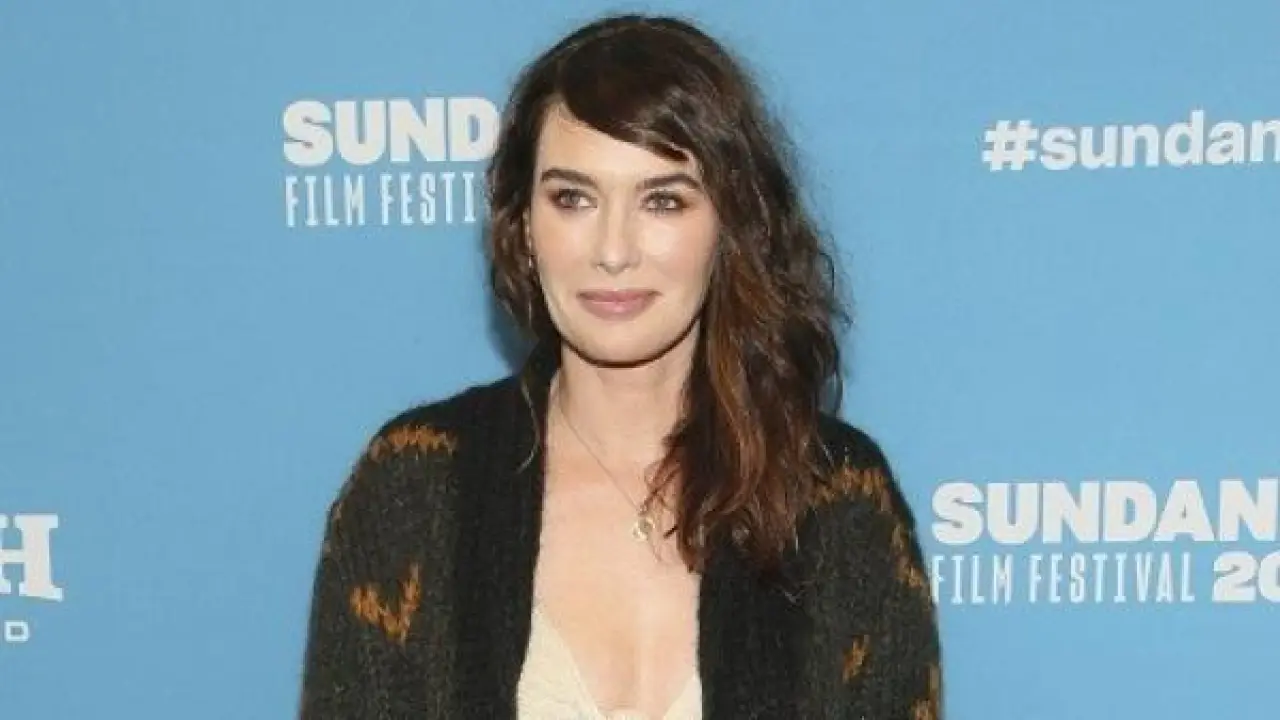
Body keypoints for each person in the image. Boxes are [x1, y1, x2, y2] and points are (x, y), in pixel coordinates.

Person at [298, 13, 941, 720]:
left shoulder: (838, 496)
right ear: (524, 224)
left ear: (730, 226)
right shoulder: (417, 485)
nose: (612, 250)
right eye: (573, 198)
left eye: (662, 200)